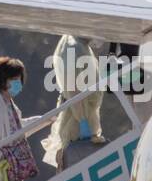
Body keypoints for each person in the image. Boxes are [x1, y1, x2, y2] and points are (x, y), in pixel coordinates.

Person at [41, 33, 106, 171]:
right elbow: (74, 90)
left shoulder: (77, 45)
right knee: (78, 161)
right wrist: (82, 120)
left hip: (82, 113)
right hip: (77, 117)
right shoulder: (73, 48)